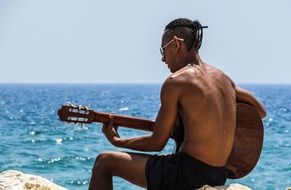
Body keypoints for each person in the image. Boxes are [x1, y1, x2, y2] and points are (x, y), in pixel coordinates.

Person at [88, 18, 266, 190]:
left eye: (162, 51)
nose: (163, 59)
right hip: (220, 173)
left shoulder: (176, 82)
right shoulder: (224, 79)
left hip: (187, 174)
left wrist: (117, 141)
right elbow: (260, 111)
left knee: (104, 161)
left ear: (175, 44)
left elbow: (156, 143)